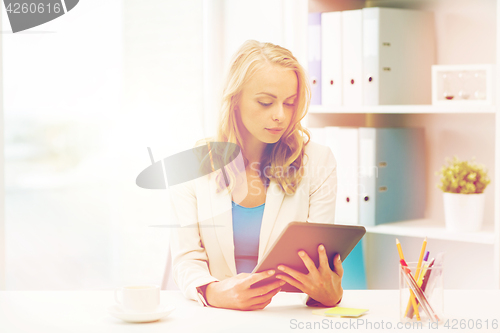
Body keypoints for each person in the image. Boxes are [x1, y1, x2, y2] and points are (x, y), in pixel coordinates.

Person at [169, 40, 342, 311]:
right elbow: (186, 259)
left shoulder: (318, 161)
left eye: (290, 103)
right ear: (235, 100)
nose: (280, 116)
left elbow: (318, 264)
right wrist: (214, 292)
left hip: (285, 319)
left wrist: (327, 295)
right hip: (219, 318)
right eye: (265, 102)